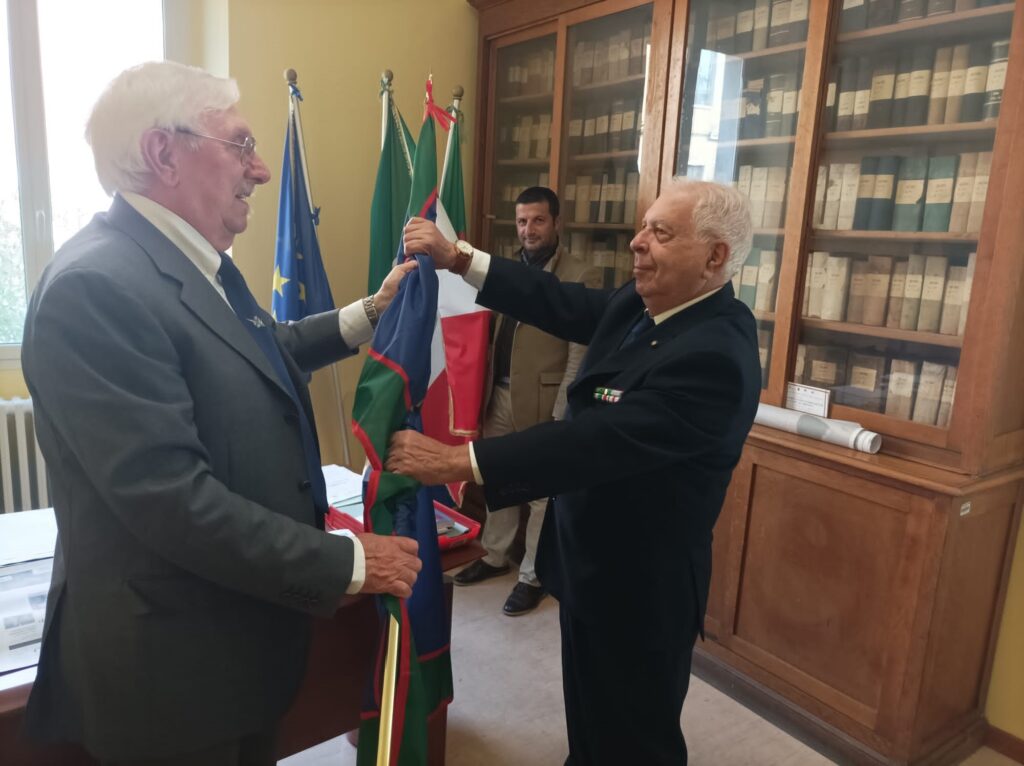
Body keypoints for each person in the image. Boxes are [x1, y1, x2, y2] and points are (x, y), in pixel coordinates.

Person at [20, 61, 422, 766]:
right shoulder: (96, 288)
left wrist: (369, 313)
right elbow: (172, 502)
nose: (260, 169)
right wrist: (350, 561)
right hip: (172, 676)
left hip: (232, 639)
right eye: (241, 144)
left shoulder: (188, 259)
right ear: (163, 153)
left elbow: (260, 349)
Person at [391, 178, 762, 765]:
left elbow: (595, 442)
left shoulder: (716, 353)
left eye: (661, 233)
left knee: (635, 740)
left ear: (715, 256)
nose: (637, 242)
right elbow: (560, 302)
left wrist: (459, 460)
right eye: (644, 226)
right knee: (591, 722)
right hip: (589, 563)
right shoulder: (647, 304)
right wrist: (458, 258)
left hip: (640, 589)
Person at [453, 186, 597, 616]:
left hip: (544, 399)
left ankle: (533, 576)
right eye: (521, 221)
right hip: (498, 394)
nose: (528, 230)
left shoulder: (579, 274)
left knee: (540, 494)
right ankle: (495, 555)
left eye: (537, 221)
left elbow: (580, 351)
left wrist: (562, 411)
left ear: (556, 223)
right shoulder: (508, 271)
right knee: (499, 478)